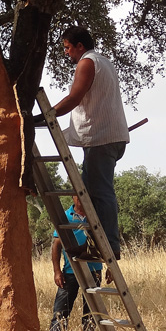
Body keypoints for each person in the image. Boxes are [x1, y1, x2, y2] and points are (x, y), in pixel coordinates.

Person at [41, 26, 130, 259]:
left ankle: (109, 246)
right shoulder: (104, 62)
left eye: (68, 48)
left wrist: (47, 115)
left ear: (80, 46)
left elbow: (74, 97)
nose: (67, 53)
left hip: (101, 138)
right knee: (92, 194)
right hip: (108, 136)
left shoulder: (87, 62)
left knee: (101, 193)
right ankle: (96, 245)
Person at [48, 197, 103, 331]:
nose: (80, 199)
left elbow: (105, 243)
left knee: (91, 311)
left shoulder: (95, 215)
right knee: (61, 310)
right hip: (70, 270)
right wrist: (57, 271)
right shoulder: (66, 216)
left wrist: (109, 267)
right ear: (73, 197)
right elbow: (56, 245)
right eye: (77, 196)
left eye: (83, 195)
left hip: (94, 270)